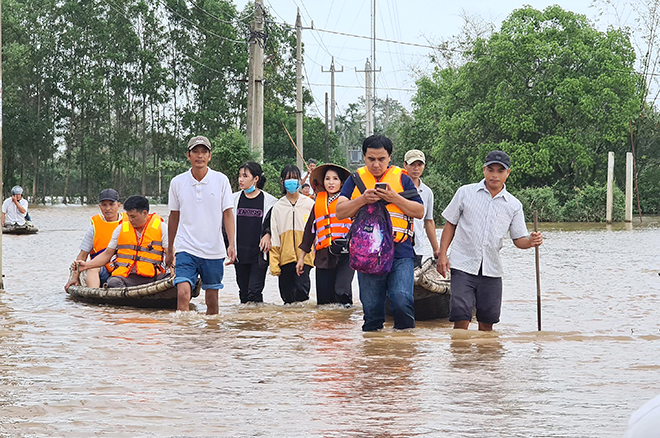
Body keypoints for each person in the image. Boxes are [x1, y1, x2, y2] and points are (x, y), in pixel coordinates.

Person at [436, 150, 544, 331]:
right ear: (484, 170)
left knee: (488, 322)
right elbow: (450, 225)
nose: (495, 175)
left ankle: (484, 360)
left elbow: (518, 240)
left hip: (492, 269)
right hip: (463, 264)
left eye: (500, 171)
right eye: (491, 169)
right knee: (461, 316)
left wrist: (532, 241)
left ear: (507, 173)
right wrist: (442, 255)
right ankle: (460, 358)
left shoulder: (513, 204)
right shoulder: (465, 192)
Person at [336, 134, 424, 331]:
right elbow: (340, 212)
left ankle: (404, 353)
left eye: (381, 159)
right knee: (372, 312)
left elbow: (419, 211)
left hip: (400, 251)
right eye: (371, 159)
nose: (376, 164)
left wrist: (394, 197)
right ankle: (374, 357)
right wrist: (362, 200)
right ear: (364, 158)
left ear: (389, 158)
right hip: (367, 254)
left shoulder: (402, 179)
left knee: (402, 301)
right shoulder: (355, 179)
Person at [166, 135, 236, 314]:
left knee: (212, 300)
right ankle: (184, 336)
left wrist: (232, 244)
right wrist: (170, 248)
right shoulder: (177, 182)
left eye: (204, 152)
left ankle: (209, 338)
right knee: (182, 293)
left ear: (209, 156)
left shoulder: (221, 180)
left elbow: (228, 213)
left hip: (213, 249)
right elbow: (174, 217)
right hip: (186, 247)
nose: (200, 156)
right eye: (195, 152)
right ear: (188, 155)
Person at [76, 196, 169, 288]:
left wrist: (174, 271)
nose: (130, 220)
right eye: (128, 216)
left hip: (154, 277)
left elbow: (170, 254)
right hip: (127, 278)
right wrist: (86, 265)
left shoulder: (161, 227)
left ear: (144, 213)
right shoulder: (120, 229)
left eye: (133, 216)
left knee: (173, 280)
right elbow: (107, 254)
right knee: (113, 282)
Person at [297, 164, 354, 306]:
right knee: (324, 301)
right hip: (323, 255)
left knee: (342, 292)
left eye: (335, 179)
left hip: (345, 254)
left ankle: (345, 323)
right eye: (327, 179)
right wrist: (301, 258)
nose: (331, 182)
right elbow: (310, 231)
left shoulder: (348, 201)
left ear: (342, 182)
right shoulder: (318, 203)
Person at [269, 164, 315, 304]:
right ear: (282, 182)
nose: (292, 182)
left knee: (302, 293)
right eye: (288, 179)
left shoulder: (309, 204)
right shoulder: (278, 207)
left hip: (305, 257)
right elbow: (275, 236)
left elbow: (315, 231)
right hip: (285, 258)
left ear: (300, 181)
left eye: (295, 178)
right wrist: (274, 263)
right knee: (287, 297)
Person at [233, 161, 277, 304]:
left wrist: (268, 234)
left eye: (245, 176)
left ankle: (257, 323)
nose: (241, 179)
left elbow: (274, 224)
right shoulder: (233, 200)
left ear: (256, 179)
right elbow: (224, 225)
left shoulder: (270, 201)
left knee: (254, 291)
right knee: (243, 293)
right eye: (240, 176)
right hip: (240, 254)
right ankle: (246, 324)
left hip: (259, 254)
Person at [64, 189, 126, 291]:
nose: (108, 208)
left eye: (111, 204)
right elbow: (82, 255)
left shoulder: (130, 222)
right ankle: (95, 295)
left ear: (118, 205)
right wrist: (74, 277)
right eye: (104, 205)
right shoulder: (94, 227)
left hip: (124, 267)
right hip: (103, 269)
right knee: (92, 267)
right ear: (100, 207)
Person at [403, 150, 441, 267]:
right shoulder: (397, 188)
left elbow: (428, 221)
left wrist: (436, 249)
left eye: (419, 165)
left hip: (417, 247)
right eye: (412, 165)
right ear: (405, 165)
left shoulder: (427, 192)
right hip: (399, 244)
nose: (416, 168)